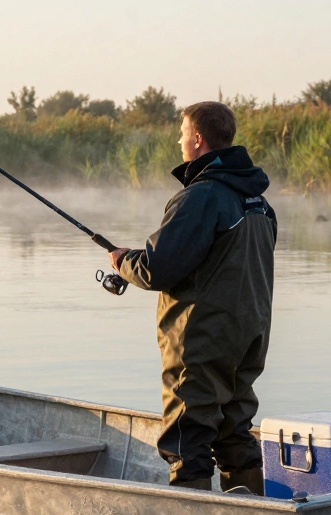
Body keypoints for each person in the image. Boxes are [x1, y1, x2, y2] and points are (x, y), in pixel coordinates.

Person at [108, 102, 276, 493]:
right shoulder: (259, 203)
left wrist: (122, 261)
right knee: (234, 430)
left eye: (182, 133)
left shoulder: (201, 197)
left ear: (197, 139)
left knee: (188, 436)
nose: (179, 140)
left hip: (200, 341)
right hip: (249, 337)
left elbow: (155, 269)